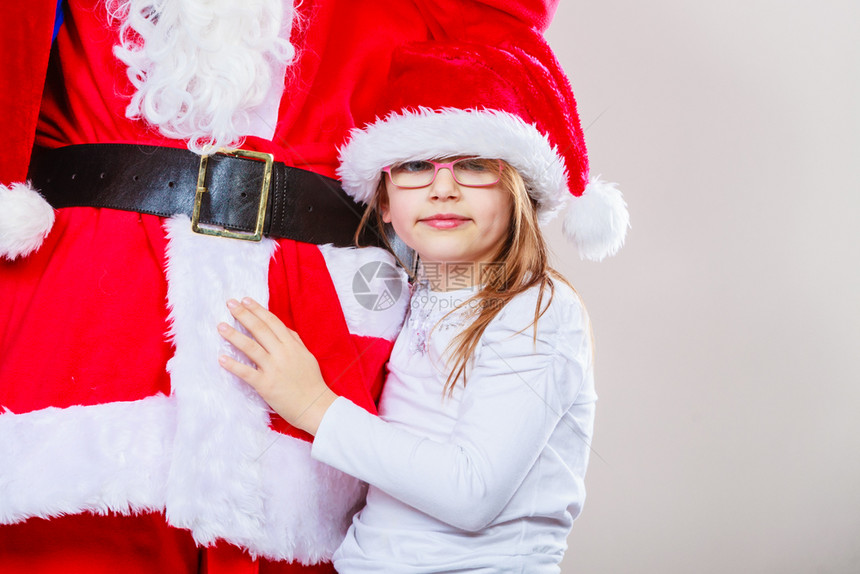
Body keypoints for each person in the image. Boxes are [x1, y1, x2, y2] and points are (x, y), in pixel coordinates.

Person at [0, 2, 572, 573]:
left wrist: (318, 405)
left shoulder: (523, 313)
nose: (444, 187)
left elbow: (486, 43)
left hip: (318, 313)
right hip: (84, 306)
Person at [217, 40, 629, 572]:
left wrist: (313, 405)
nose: (443, 189)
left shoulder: (537, 310)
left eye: (474, 166)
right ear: (385, 201)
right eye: (415, 165)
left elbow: (470, 493)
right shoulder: (413, 293)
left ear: (518, 189)